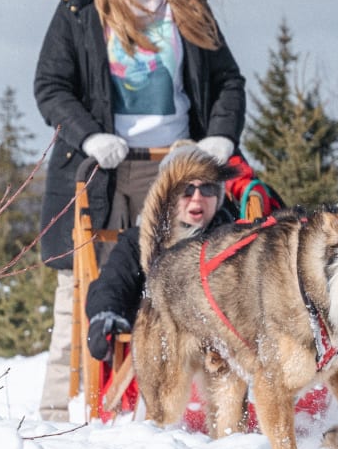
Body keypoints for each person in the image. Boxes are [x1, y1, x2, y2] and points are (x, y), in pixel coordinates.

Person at [34, 0, 245, 421]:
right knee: (87, 278)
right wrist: (87, 136)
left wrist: (218, 139)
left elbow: (227, 82)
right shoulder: (80, 7)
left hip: (176, 165)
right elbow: (51, 85)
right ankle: (61, 405)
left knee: (191, 274)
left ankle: (188, 397)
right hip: (103, 164)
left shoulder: (186, 2)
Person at [85, 144, 236, 362]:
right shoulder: (137, 241)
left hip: (223, 355)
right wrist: (105, 314)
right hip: (159, 357)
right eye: (186, 188)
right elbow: (113, 283)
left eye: (208, 188)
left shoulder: (233, 241)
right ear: (165, 194)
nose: (196, 198)